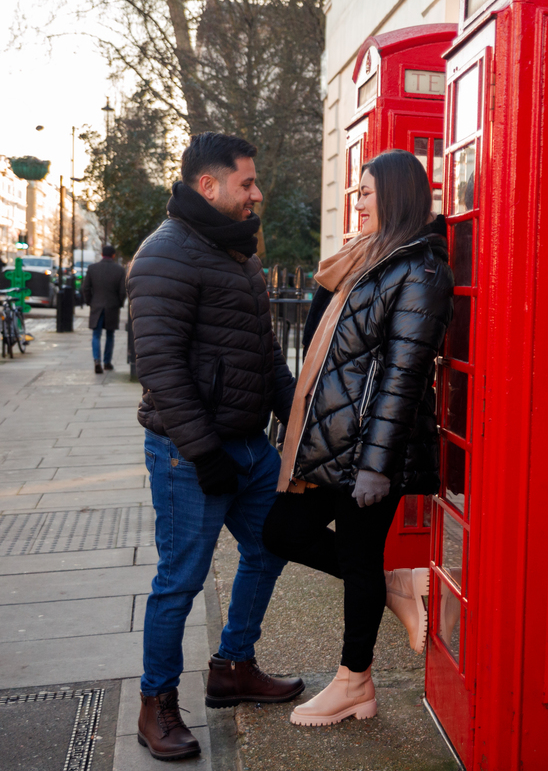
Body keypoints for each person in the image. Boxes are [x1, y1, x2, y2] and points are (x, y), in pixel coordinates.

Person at [127, 132, 303, 761]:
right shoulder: (163, 255)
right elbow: (162, 369)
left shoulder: (240, 253)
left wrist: (299, 424)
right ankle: (157, 704)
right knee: (180, 581)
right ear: (209, 185)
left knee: (269, 548)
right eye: (247, 183)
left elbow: (265, 356)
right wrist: (204, 455)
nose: (258, 193)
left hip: (250, 446)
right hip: (186, 453)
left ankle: (232, 666)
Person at [262, 149, 452, 727]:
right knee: (281, 530)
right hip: (335, 442)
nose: (357, 200)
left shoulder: (421, 270)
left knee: (358, 554)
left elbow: (403, 374)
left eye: (366, 191)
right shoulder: (367, 259)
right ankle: (395, 587)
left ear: (393, 195)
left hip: (373, 449)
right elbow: (327, 342)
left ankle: (354, 683)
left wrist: (376, 465)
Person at [82, 245, 126, 373]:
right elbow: (123, 291)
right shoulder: (119, 270)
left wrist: (91, 302)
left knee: (96, 335)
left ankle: (97, 360)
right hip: (112, 306)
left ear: (102, 254)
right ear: (113, 255)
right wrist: (119, 303)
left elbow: (85, 288)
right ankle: (107, 362)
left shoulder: (92, 268)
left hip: (97, 305)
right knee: (110, 335)